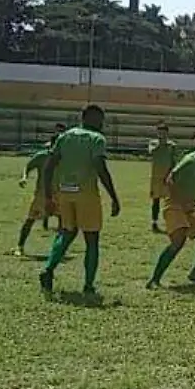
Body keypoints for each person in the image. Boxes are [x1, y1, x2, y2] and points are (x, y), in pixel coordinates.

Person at [38, 105, 121, 296]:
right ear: (92, 118)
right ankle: (89, 284)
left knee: (67, 232)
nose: (103, 124)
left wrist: (48, 194)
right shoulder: (96, 139)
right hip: (86, 193)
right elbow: (101, 168)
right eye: (101, 119)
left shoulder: (64, 137)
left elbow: (49, 166)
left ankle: (48, 269)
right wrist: (114, 197)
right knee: (92, 239)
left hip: (65, 192)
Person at [149, 129, 195, 287]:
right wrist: (183, 204)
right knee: (177, 242)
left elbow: (189, 187)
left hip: (190, 206)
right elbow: (170, 180)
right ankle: (154, 280)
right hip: (175, 206)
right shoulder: (189, 161)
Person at [15, 141, 56, 256]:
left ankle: (58, 249)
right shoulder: (42, 156)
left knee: (65, 223)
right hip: (41, 193)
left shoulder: (65, 158)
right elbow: (28, 166)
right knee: (31, 219)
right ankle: (20, 246)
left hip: (59, 193)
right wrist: (24, 177)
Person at [148, 122, 177, 232]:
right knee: (156, 201)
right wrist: (161, 143)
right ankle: (154, 223)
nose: (162, 134)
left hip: (168, 177)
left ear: (167, 133)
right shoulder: (153, 143)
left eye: (164, 132)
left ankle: (170, 223)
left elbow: (174, 161)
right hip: (156, 177)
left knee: (169, 202)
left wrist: (172, 174)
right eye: (160, 132)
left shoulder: (172, 145)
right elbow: (152, 152)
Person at [42, 123, 67, 231]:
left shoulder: (63, 139)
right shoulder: (56, 138)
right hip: (55, 173)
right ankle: (46, 222)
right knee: (51, 199)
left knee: (60, 202)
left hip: (60, 174)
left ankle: (59, 224)